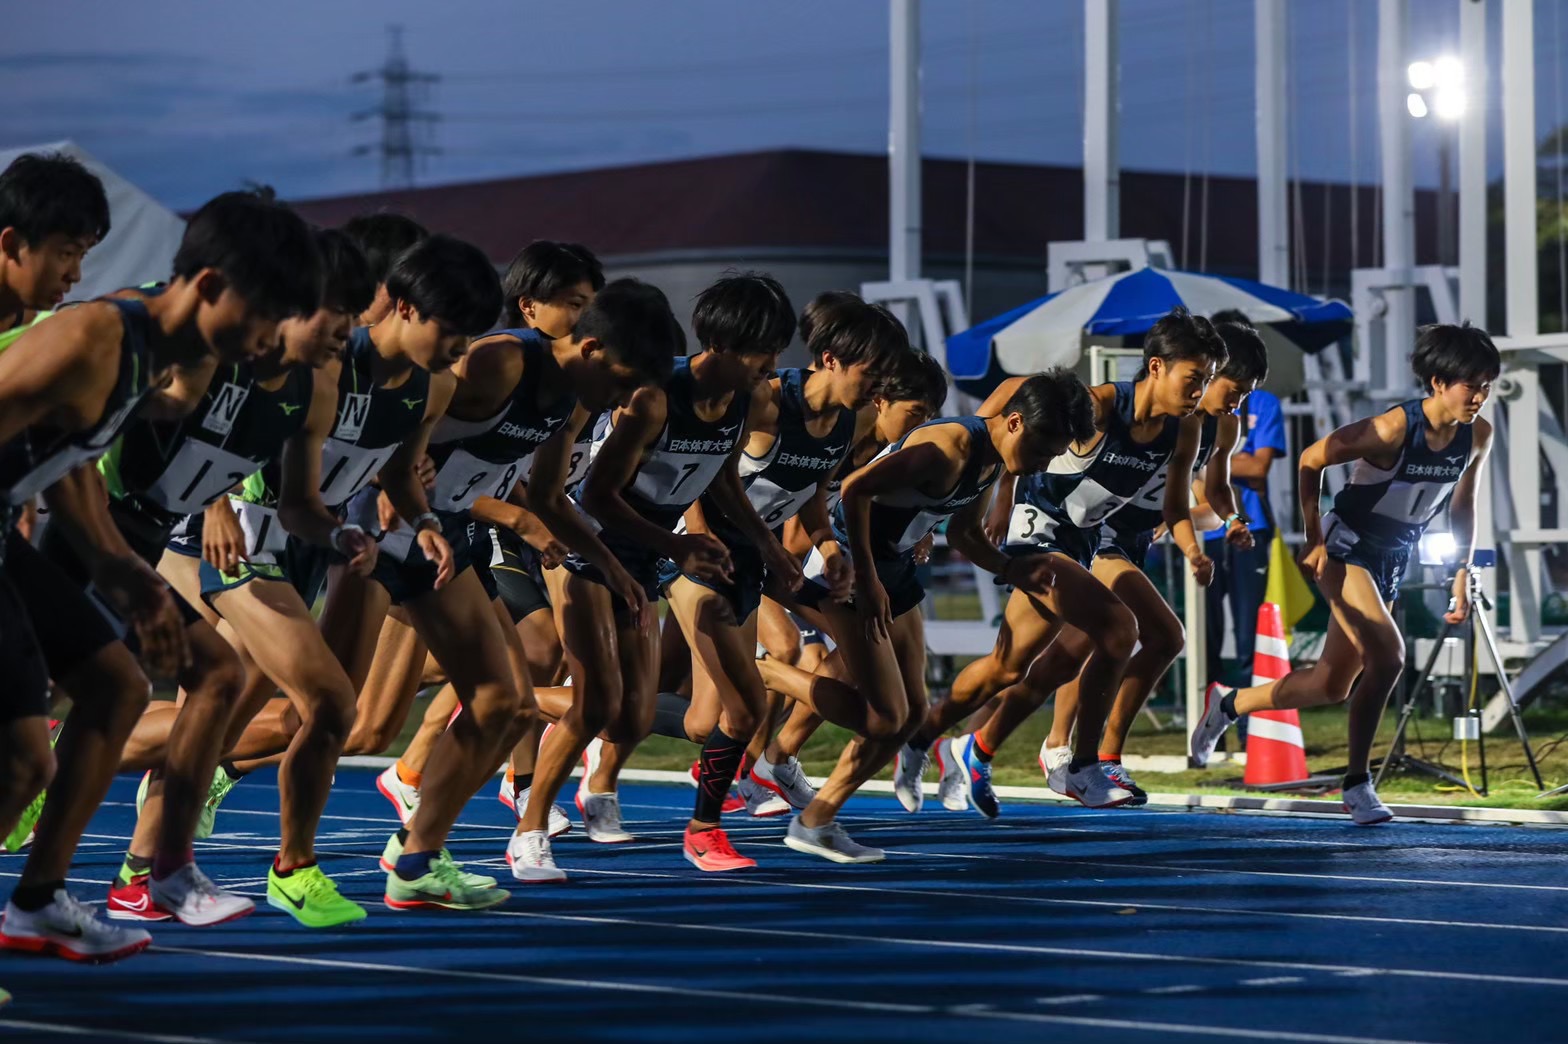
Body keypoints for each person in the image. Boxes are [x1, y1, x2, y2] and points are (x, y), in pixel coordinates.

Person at [0, 187, 319, 960]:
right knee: (23, 758)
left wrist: (121, 571)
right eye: (261, 317)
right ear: (209, 287)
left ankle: (39, 902)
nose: (266, 340)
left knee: (116, 688)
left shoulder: (152, 357)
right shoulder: (96, 337)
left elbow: (68, 459)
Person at [113, 228, 380, 928]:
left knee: (233, 694)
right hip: (181, 541)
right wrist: (214, 508)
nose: (350, 326)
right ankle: (275, 866)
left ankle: (145, 869)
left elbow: (301, 499)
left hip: (233, 544)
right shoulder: (159, 341)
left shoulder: (324, 385)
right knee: (315, 698)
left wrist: (346, 527)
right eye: (342, 308)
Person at [898, 309, 1227, 815]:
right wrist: (999, 489)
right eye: (1193, 378)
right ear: (1156, 367)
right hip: (1038, 529)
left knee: (1008, 668)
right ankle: (1083, 765)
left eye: (1206, 381)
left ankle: (925, 741)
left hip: (1083, 542)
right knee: (1121, 629)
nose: (1199, 391)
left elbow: (1176, 506)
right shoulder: (1097, 405)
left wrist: (1192, 550)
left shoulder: (1184, 432)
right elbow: (1017, 390)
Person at [512, 274, 783, 877]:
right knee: (591, 707)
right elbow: (598, 494)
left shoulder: (738, 403)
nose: (775, 364)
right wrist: (677, 547)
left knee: (630, 719)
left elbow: (720, 477)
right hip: (596, 548)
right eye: (767, 349)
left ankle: (515, 704)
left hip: (650, 555)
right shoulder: (657, 398)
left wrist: (765, 541)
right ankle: (529, 831)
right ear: (729, 343)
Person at [776, 370, 1092, 862]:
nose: (1040, 465)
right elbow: (855, 490)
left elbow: (965, 534)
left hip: (893, 569)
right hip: (848, 565)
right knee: (887, 718)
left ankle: (816, 818)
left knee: (911, 717)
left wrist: (1011, 567)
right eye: (1041, 451)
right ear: (1013, 422)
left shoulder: (991, 463)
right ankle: (773, 690)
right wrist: (867, 575)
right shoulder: (948, 448)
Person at [1191, 322, 1497, 825]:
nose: (1480, 396)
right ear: (1439, 382)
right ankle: (1357, 784)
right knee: (1390, 657)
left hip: (1394, 556)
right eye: (1472, 385)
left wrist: (1462, 568)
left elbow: (1464, 506)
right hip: (1346, 547)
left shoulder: (1476, 435)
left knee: (1333, 684)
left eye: (1488, 385)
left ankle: (1228, 703)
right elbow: (1312, 460)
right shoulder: (1392, 429)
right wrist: (1313, 538)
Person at [653, 292, 905, 870]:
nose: (878, 389)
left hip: (757, 558)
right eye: (872, 373)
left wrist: (827, 544)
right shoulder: (763, 401)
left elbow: (811, 490)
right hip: (705, 555)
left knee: (702, 722)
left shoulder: (851, 420)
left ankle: (600, 715)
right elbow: (708, 468)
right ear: (831, 360)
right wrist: (703, 538)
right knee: (739, 714)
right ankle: (704, 830)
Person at [374, 241, 607, 837]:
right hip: (403, 533)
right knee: (359, 726)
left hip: (456, 537)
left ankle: (419, 848)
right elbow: (413, 410)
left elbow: (545, 491)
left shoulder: (570, 389)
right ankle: (201, 755)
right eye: (573, 303)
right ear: (529, 307)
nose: (584, 317)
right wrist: (401, 468)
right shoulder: (498, 360)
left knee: (513, 702)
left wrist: (612, 563)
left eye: (590, 304)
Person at [988, 319, 1265, 810]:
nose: (1233, 399)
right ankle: (1082, 753)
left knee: (1070, 651)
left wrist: (1228, 521)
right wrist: (1005, 489)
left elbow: (1204, 495)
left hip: (1137, 533)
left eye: (1241, 392)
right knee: (1148, 633)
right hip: (1099, 532)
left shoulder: (1214, 424)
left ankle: (1003, 743)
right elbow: (1024, 403)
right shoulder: (1120, 406)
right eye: (1230, 386)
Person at [1203, 310, 1287, 697]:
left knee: (1249, 625)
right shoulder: (1197, 406)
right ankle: (1206, 714)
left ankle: (1247, 719)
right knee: (1205, 629)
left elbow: (1257, 468)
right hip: (1205, 530)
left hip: (1249, 527)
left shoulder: (1263, 402)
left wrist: (1210, 462)